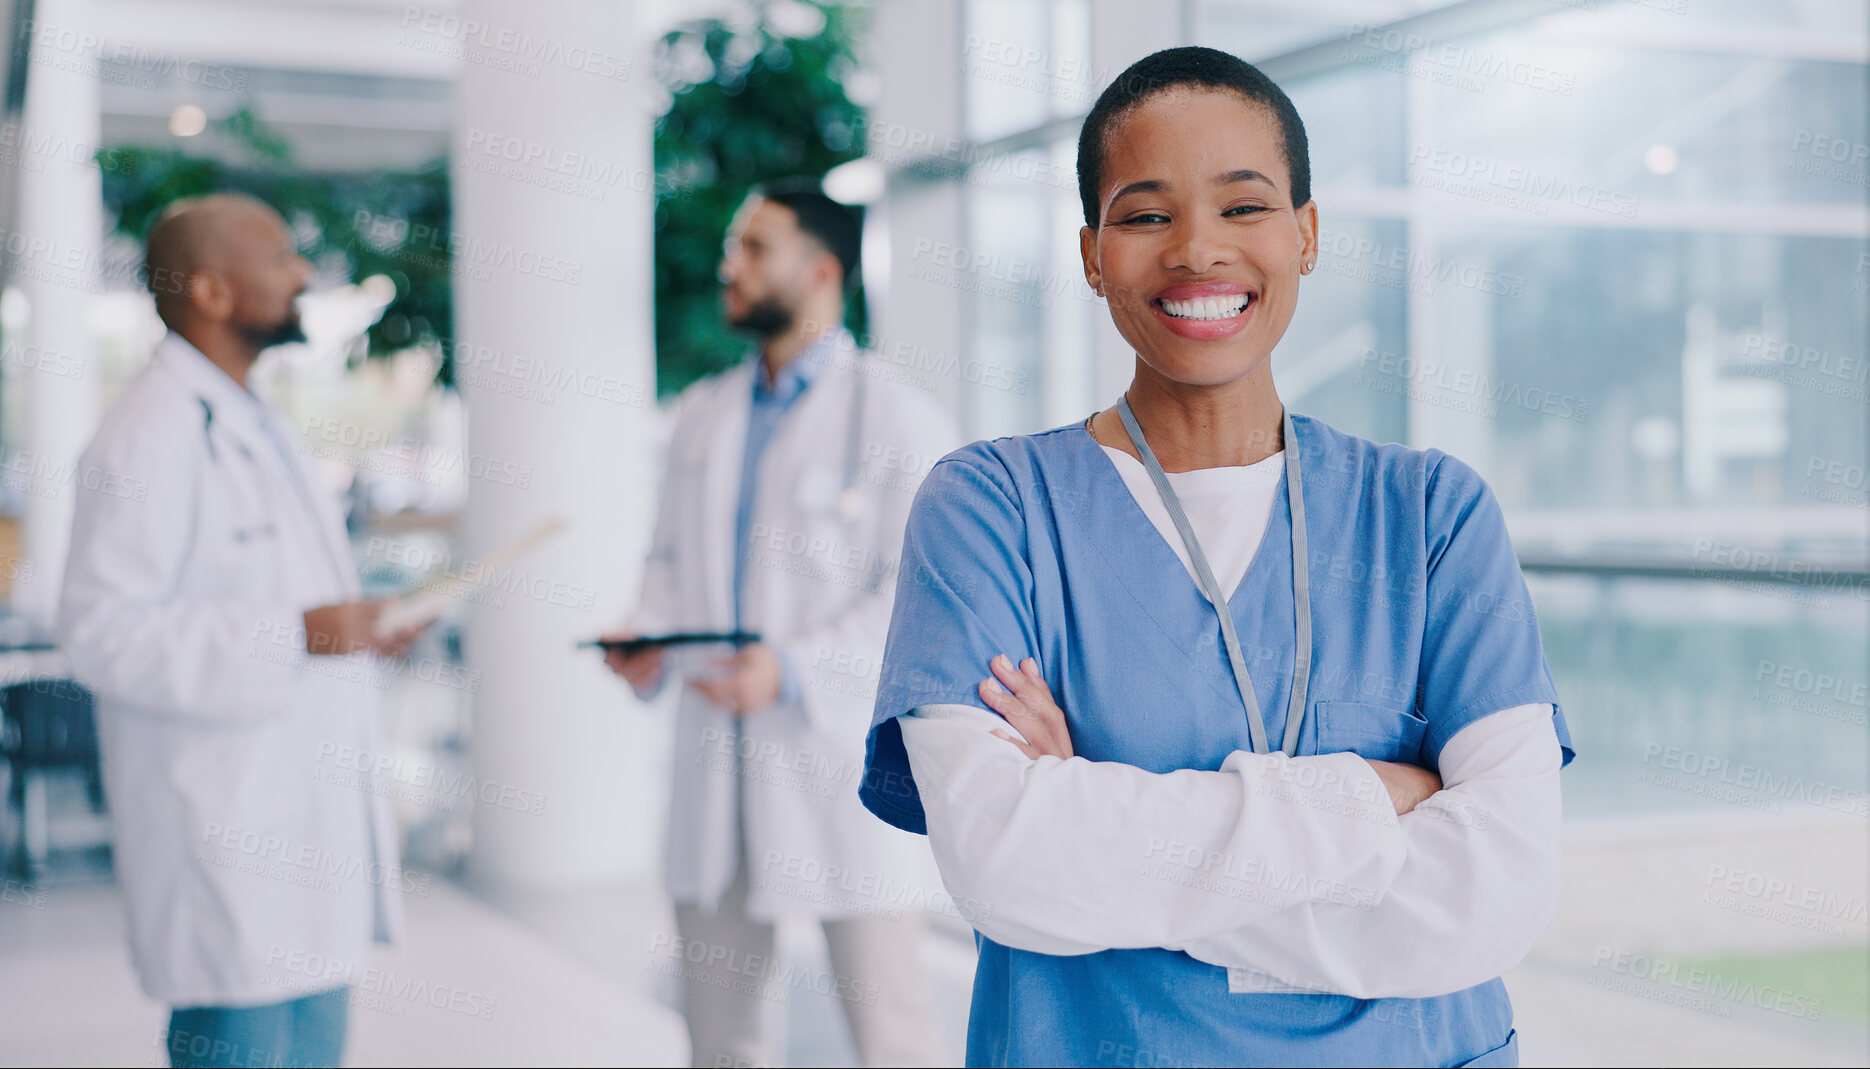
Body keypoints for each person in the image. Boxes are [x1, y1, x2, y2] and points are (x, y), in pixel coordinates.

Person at [861, 47, 1575, 1068]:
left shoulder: (1430, 515)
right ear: (1091, 252)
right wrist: (1371, 798)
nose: (1197, 248)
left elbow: (1492, 894)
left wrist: (1102, 842)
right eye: (1146, 215)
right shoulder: (991, 508)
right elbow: (1000, 859)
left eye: (1243, 207)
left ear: (1307, 233)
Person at [57, 194, 424, 1069]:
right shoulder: (146, 435)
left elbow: (288, 603)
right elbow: (101, 632)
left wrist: (358, 627)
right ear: (214, 292)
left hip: (306, 835)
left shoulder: (256, 420)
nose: (302, 274)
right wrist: (296, 635)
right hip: (226, 840)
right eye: (280, 256)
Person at [605, 183, 957, 1068]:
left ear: (822, 269)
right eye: (735, 246)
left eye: (754, 247)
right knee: (720, 1037)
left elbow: (920, 598)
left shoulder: (897, 419)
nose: (731, 266)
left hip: (839, 757)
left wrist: (794, 667)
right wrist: (649, 630)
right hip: (715, 753)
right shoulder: (704, 413)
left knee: (894, 1034)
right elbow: (668, 560)